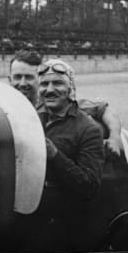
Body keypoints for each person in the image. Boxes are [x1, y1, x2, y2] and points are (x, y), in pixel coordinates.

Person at [7, 50, 123, 157]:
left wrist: (115, 138)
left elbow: (105, 110)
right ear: (9, 79)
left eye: (28, 77)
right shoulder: (3, 108)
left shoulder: (57, 105)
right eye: (17, 77)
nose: (22, 83)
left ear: (40, 79)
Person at [37, 58, 104, 199]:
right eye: (44, 84)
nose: (49, 90)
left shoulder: (88, 129)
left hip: (63, 213)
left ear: (70, 88)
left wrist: (55, 155)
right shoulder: (31, 119)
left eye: (57, 83)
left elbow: (91, 186)